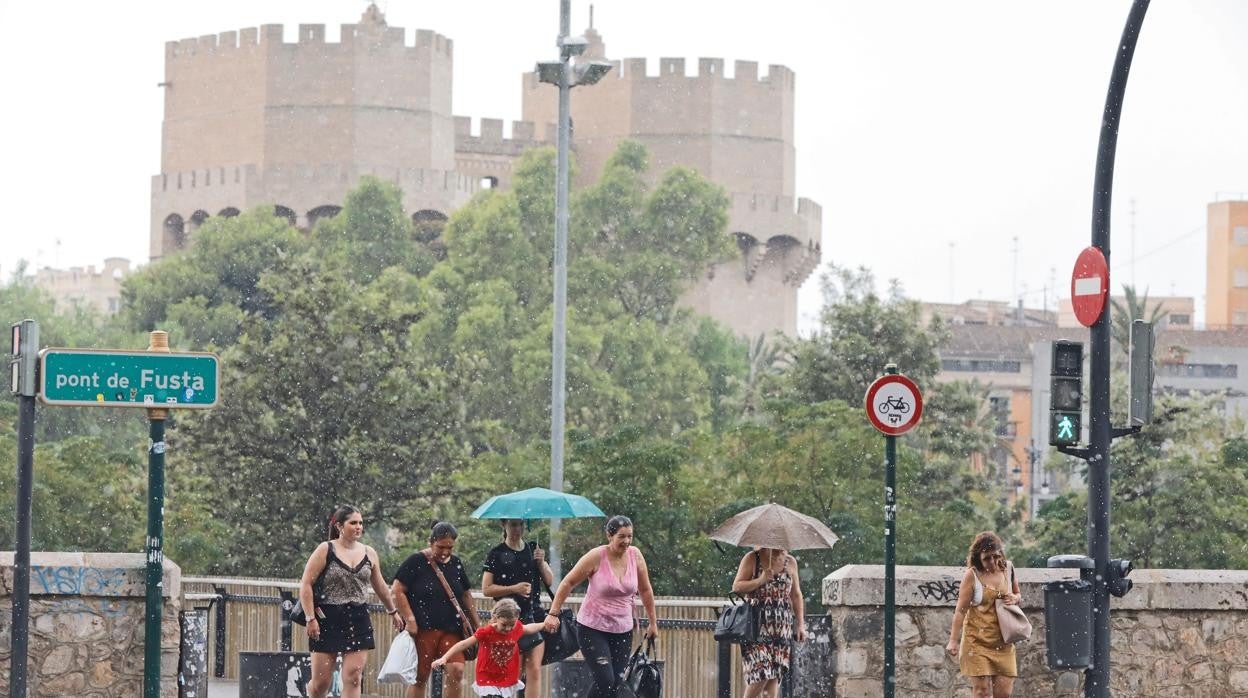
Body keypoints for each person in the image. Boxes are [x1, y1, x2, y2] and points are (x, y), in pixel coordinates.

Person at [543, 515, 659, 698]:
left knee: (616, 683)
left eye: (630, 536)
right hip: (592, 629)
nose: (626, 541)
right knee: (606, 680)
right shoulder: (596, 556)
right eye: (621, 536)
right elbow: (568, 583)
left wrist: (653, 623)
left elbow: (645, 590)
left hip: (622, 629)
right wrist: (553, 613)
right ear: (609, 536)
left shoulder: (635, 555)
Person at [298, 505, 406, 698]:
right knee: (321, 683)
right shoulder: (326, 549)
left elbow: (380, 585)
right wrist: (310, 618)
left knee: (354, 676)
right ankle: (312, 690)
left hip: (357, 618)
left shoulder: (369, 552)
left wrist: (392, 611)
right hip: (327, 618)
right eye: (353, 523)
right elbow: (306, 584)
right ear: (339, 526)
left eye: (361, 523)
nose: (358, 527)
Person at [392, 521, 480, 698]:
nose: (445, 552)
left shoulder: (456, 563)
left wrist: (477, 624)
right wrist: (410, 619)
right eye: (441, 547)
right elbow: (397, 589)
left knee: (456, 670)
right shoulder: (416, 561)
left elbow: (465, 594)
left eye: (450, 547)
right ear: (430, 542)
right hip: (423, 628)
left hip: (452, 629)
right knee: (420, 677)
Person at [481, 519, 555, 697]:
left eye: (521, 525)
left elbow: (550, 580)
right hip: (508, 619)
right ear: (504, 526)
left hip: (533, 615)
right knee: (511, 672)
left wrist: (541, 562)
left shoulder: (532, 548)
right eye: (513, 525)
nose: (517, 529)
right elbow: (486, 589)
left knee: (534, 670)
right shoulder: (496, 553)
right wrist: (514, 588)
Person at [945, 531, 1021, 698]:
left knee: (1004, 693)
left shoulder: (1008, 569)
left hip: (1004, 642)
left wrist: (1014, 598)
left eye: (995, 556)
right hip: (976, 643)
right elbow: (960, 610)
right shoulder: (972, 576)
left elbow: (1018, 593)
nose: (992, 562)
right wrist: (953, 641)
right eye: (987, 558)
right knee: (982, 692)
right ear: (978, 558)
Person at [730, 547, 807, 698]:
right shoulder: (753, 558)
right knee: (762, 672)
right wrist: (761, 580)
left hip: (782, 626)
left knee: (774, 675)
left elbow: (796, 595)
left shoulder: (790, 561)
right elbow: (737, 587)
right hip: (756, 625)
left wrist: (800, 624)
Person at [431, 598, 545, 697]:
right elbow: (463, 644)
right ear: (496, 617)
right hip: (488, 677)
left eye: (512, 625)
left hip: (505, 676)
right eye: (504, 625)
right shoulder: (486, 632)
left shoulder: (516, 628)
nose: (508, 629)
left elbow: (529, 628)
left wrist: (544, 625)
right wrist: (445, 658)